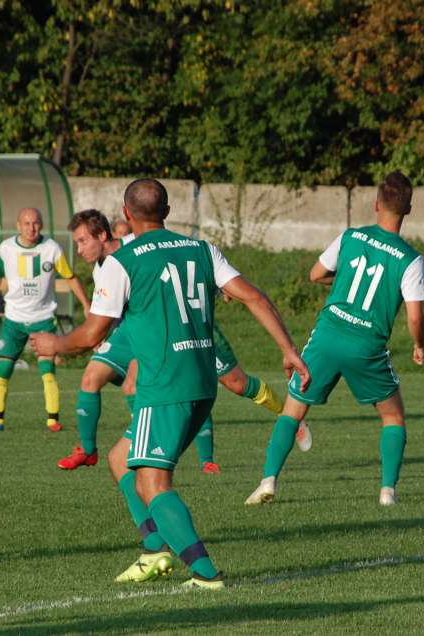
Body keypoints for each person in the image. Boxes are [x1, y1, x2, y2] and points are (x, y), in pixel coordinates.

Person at [32, 179, 309, 589]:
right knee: (120, 459)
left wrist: (55, 343)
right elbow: (253, 296)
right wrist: (287, 348)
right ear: (166, 210)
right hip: (202, 381)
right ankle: (155, 550)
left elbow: (92, 335)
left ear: (126, 215)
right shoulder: (201, 249)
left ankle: (204, 572)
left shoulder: (121, 263)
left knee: (152, 481)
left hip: (164, 388)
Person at [58, 210, 311, 472]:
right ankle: (100, 449)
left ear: (102, 235)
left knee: (236, 383)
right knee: (101, 378)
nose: (78, 249)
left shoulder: (137, 245)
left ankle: (289, 415)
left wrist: (218, 284)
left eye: (82, 241)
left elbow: (181, 265)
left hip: (188, 326)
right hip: (149, 335)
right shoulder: (104, 267)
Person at [246, 171, 424, 507]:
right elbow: (415, 316)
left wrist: (343, 284)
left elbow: (316, 274)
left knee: (292, 411)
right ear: (409, 209)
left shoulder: (351, 237)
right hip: (366, 345)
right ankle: (387, 491)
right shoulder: (410, 259)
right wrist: (419, 345)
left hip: (327, 336)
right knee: (392, 417)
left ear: (376, 204)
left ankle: (268, 480)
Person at [0, 207, 90, 433]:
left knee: (47, 371)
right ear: (18, 225)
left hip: (42, 320)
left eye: (37, 223)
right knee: (3, 370)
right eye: (27, 223)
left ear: (42, 224)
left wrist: (86, 304)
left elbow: (70, 278)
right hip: (13, 320)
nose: (32, 228)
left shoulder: (52, 249)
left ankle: (52, 420)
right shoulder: (6, 249)